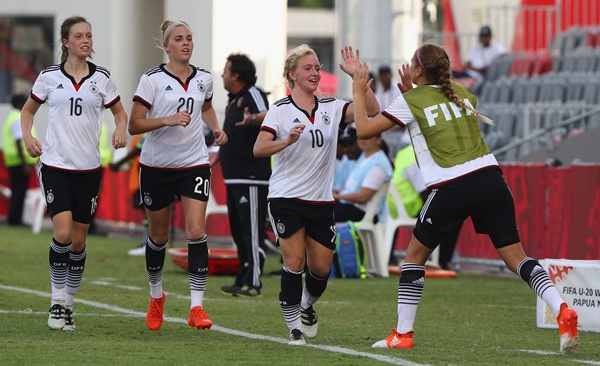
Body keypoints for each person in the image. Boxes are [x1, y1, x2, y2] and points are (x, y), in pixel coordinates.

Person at [351, 43, 579, 354]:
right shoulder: (461, 92)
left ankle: (403, 334)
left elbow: (364, 130)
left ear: (418, 70)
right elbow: (434, 114)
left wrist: (357, 85)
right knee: (517, 258)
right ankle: (563, 310)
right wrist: (410, 94)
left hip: (452, 184)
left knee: (414, 257)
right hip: (491, 178)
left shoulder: (414, 100)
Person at [253, 44, 379, 345]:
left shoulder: (332, 107)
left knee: (321, 268)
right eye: (308, 68)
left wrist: (358, 80)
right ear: (293, 74)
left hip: (321, 201)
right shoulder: (280, 110)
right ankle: (294, 327)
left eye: (318, 68)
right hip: (285, 197)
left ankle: (307, 305)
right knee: (294, 261)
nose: (315, 73)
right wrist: (286, 140)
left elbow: (372, 111)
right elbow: (259, 149)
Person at [20, 16, 128, 330]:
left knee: (78, 243)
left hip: (89, 170)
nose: (86, 40)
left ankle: (68, 305)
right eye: (79, 36)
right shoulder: (49, 77)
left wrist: (120, 130)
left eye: (89, 35)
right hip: (55, 165)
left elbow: (120, 113)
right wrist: (28, 136)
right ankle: (55, 303)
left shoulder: (103, 78)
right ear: (66, 42)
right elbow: (28, 110)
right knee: (63, 234)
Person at [128, 19, 227, 332]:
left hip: (194, 163)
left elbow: (207, 106)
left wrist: (215, 127)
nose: (186, 43)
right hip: (156, 166)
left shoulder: (204, 79)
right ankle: (157, 296)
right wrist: (167, 120)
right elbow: (134, 124)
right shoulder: (152, 80)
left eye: (189, 38)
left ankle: (197, 307)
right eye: (179, 39)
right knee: (158, 236)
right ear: (166, 46)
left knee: (196, 230)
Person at [218, 53, 271, 298]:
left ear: (236, 75)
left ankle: (255, 282)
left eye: (226, 71)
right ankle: (243, 276)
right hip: (234, 177)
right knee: (239, 234)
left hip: (251, 177)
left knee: (252, 232)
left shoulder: (252, 94)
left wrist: (253, 119)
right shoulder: (234, 100)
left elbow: (267, 116)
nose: (222, 75)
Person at [333, 134, 392, 223]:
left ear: (378, 139)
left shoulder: (378, 163)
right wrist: (337, 193)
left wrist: (338, 196)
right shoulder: (364, 158)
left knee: (322, 210)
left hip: (364, 212)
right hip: (350, 205)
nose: (362, 140)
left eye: (367, 136)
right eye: (359, 137)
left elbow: (363, 197)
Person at [109, 134, 148, 256]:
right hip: (139, 177)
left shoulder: (147, 128)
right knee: (146, 212)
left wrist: (118, 163)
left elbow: (138, 150)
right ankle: (148, 243)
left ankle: (148, 244)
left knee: (148, 212)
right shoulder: (141, 131)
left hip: (145, 177)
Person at [2, 94, 38, 226]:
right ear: (19, 104)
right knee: (19, 192)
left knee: (18, 191)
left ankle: (14, 218)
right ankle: (15, 220)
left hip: (15, 161)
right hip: (19, 162)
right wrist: (24, 163)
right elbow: (18, 141)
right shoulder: (18, 117)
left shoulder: (12, 117)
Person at [455, 25, 507, 93]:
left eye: (486, 36)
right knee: (452, 73)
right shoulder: (476, 48)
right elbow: (467, 63)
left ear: (490, 37)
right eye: (483, 36)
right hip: (468, 74)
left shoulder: (497, 48)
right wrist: (475, 68)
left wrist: (473, 68)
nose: (484, 38)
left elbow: (485, 69)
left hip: (478, 78)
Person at [375, 65, 404, 160]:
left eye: (386, 74)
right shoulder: (378, 93)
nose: (384, 77)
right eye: (382, 75)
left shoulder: (397, 91)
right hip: (383, 130)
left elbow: (402, 114)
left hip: (398, 130)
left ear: (390, 75)